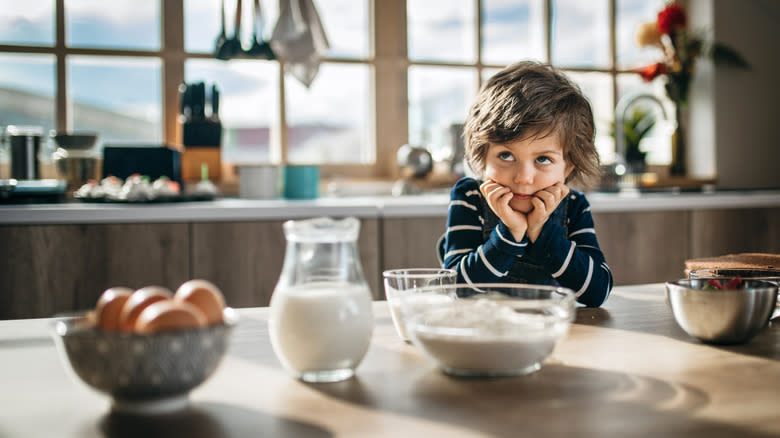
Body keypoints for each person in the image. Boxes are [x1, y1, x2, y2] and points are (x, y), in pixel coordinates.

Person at [440, 61, 612, 307]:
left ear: (568, 166)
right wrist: (510, 233)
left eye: (543, 159)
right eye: (506, 156)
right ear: (482, 156)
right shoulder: (469, 197)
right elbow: (454, 288)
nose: (523, 177)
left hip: (549, 335)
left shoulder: (573, 205)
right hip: (482, 333)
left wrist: (541, 231)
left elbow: (598, 292)